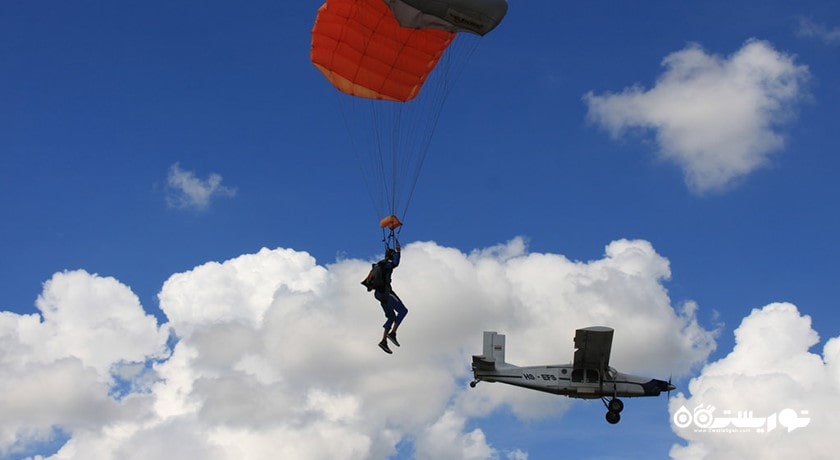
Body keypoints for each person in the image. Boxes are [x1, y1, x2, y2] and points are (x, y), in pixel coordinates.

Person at [372, 243, 407, 354]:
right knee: (403, 310)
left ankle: (383, 341)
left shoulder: (378, 265)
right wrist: (399, 252)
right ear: (391, 256)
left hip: (379, 295)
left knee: (391, 317)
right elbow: (395, 263)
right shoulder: (388, 264)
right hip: (386, 293)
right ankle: (392, 334)